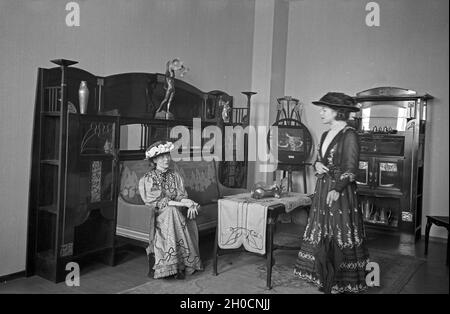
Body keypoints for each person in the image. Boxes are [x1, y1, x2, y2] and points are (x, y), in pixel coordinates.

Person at [294, 92, 370, 294]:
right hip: (322, 189)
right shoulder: (326, 134)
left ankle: (341, 282)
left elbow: (351, 167)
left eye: (324, 109)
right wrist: (317, 165)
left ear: (337, 112)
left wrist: (337, 189)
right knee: (322, 230)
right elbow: (319, 159)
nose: (321, 112)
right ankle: (322, 275)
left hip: (340, 191)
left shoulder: (350, 135)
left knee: (339, 231)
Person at [139, 140, 203, 279]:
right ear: (154, 160)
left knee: (178, 211)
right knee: (171, 211)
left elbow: (180, 196)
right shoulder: (149, 178)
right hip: (156, 214)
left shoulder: (175, 175)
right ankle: (171, 265)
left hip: (174, 212)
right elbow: (160, 202)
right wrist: (183, 205)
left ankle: (184, 263)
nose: (166, 159)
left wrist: (190, 203)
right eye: (162, 156)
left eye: (167, 155)